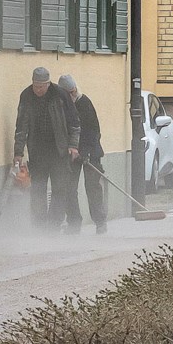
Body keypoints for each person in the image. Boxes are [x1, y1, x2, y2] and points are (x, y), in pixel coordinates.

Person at [18, 67, 73, 229]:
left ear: (48, 84)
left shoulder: (60, 95)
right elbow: (21, 126)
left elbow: (73, 122)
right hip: (38, 152)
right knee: (37, 189)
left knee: (59, 189)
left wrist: (73, 146)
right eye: (35, 86)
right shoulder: (26, 96)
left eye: (41, 86)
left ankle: (54, 224)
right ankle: (39, 225)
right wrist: (18, 152)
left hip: (59, 151)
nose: (38, 90)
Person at [57, 73, 110, 234]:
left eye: (73, 91)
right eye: (69, 93)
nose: (72, 95)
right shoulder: (60, 106)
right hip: (70, 153)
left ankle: (100, 222)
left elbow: (94, 131)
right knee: (69, 188)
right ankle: (74, 222)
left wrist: (85, 152)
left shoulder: (84, 103)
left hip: (90, 152)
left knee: (92, 187)